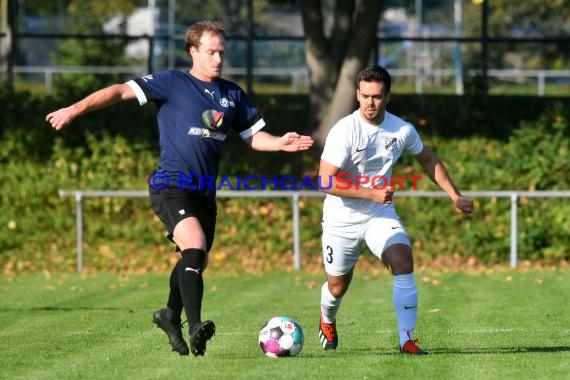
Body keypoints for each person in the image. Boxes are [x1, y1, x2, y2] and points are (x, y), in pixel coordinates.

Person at [46, 20, 314, 357]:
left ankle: (169, 315)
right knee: (196, 245)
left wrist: (280, 143)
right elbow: (118, 91)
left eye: (221, 52)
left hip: (204, 190)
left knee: (194, 258)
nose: (218, 59)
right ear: (193, 51)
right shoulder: (172, 83)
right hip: (171, 186)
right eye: (210, 52)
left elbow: (253, 137)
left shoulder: (232, 94)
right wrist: (74, 109)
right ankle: (196, 325)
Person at [317, 65, 473, 355]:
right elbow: (325, 181)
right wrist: (369, 192)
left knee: (403, 260)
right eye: (364, 96)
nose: (370, 103)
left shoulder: (401, 129)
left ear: (387, 96)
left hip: (379, 214)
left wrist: (455, 195)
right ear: (357, 94)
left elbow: (428, 160)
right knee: (337, 286)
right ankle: (327, 318)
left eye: (376, 96)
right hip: (341, 219)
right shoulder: (344, 130)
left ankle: (407, 340)